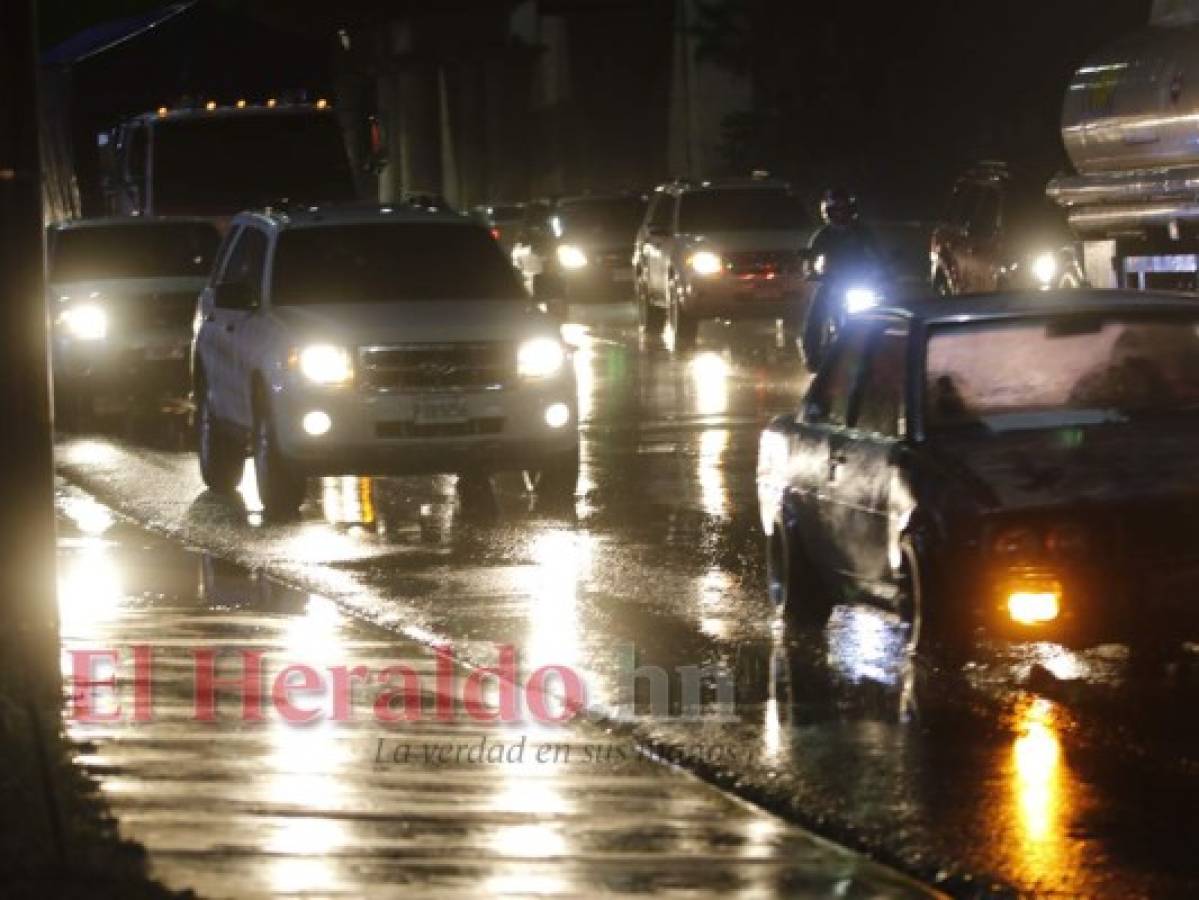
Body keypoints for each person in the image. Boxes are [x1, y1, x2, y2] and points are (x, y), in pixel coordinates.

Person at [796, 188, 881, 370]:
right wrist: (811, 270)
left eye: (845, 210)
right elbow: (811, 258)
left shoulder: (863, 233)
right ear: (828, 213)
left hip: (860, 282)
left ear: (852, 211)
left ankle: (880, 350)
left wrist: (883, 271)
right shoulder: (823, 234)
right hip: (832, 282)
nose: (841, 215)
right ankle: (812, 354)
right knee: (816, 314)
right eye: (836, 211)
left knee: (881, 312)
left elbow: (877, 255)